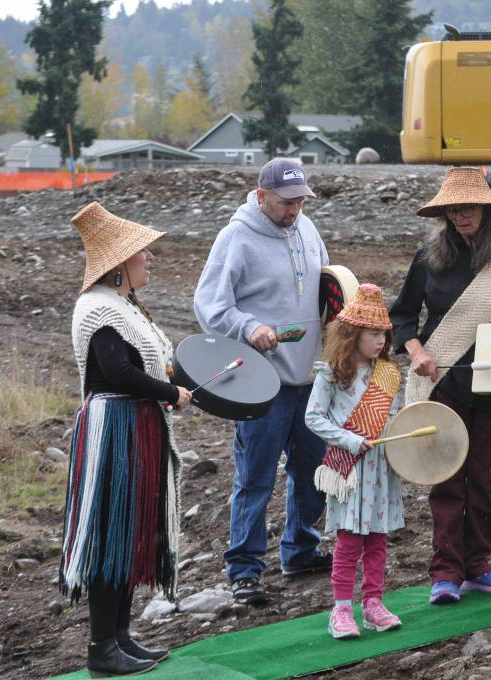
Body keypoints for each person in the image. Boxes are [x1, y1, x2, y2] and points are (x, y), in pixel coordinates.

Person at [390, 167, 491, 604]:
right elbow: (402, 315)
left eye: (468, 208)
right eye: (453, 210)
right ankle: (444, 571)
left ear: (487, 209)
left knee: (486, 476)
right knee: (446, 478)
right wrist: (418, 352)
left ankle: (478, 564)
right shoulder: (429, 256)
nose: (461, 216)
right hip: (446, 383)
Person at [194, 158, 332, 606]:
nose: (294, 210)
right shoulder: (236, 237)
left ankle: (300, 549)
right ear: (261, 196)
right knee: (255, 476)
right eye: (285, 202)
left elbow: (327, 285)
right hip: (261, 379)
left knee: (312, 469)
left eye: (299, 202)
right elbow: (211, 304)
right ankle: (244, 570)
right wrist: (250, 327)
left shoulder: (307, 230)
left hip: (308, 375)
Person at [63, 202, 192, 676]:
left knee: (130, 530)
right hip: (114, 427)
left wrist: (170, 381)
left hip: (134, 425)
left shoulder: (122, 305)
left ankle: (118, 637)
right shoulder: (99, 306)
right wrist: (171, 392)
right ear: (119, 264)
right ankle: (101, 648)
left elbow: (139, 366)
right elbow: (117, 371)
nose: (150, 258)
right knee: (111, 532)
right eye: (143, 253)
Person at [305, 284, 404, 639]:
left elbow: (394, 417)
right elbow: (313, 418)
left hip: (380, 470)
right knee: (349, 542)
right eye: (373, 334)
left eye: (384, 334)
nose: (380, 341)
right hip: (348, 471)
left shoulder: (389, 373)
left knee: (377, 540)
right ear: (352, 334)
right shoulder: (331, 373)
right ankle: (341, 609)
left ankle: (373, 603)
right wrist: (350, 439)